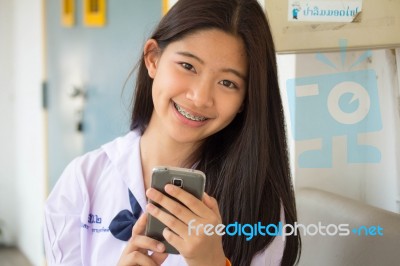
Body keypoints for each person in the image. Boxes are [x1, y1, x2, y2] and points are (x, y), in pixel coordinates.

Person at [43, 0, 301, 265]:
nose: (200, 97)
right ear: (153, 58)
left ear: (245, 100)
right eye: (188, 66)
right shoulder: (82, 182)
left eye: (227, 82)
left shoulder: (260, 204)